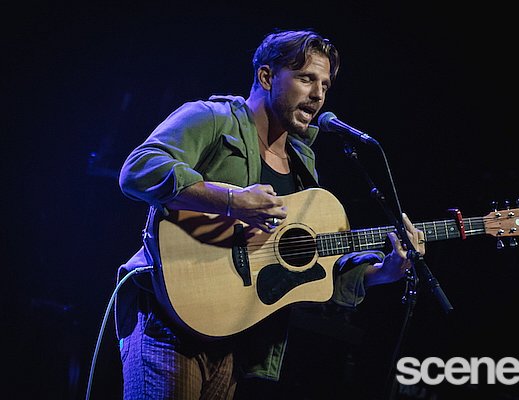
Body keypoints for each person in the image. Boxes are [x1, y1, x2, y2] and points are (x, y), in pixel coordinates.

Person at [116, 28, 426, 399]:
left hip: (233, 339)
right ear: (266, 77)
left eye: (325, 85)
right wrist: (232, 200)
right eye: (306, 78)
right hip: (167, 321)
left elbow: (312, 271)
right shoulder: (212, 118)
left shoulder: (302, 163)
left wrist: (384, 272)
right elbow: (139, 169)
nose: (318, 94)